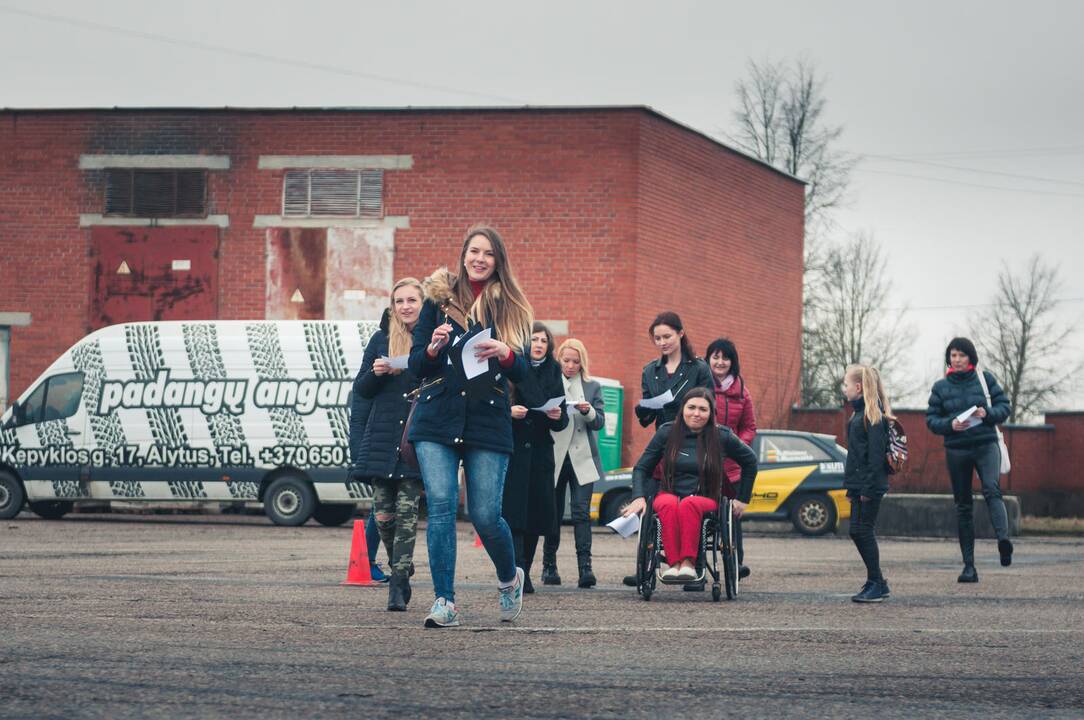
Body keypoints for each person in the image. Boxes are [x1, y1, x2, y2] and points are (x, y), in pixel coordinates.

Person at [408, 224, 534, 628]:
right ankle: (445, 601)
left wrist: (507, 355)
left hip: (487, 418)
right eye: (474, 251)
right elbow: (415, 365)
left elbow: (531, 380)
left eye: (488, 254)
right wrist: (432, 348)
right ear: (463, 255)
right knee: (441, 506)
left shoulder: (511, 307)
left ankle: (508, 575)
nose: (479, 259)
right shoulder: (437, 301)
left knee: (484, 515)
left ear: (498, 262)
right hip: (437, 414)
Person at [623, 387, 757, 583]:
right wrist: (638, 496)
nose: (696, 413)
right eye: (691, 407)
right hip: (669, 494)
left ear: (711, 413)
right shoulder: (666, 432)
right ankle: (674, 564)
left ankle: (688, 564)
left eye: (703, 409)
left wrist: (743, 499)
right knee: (668, 503)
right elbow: (641, 468)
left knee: (689, 504)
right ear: (682, 409)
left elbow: (750, 462)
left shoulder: (722, 436)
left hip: (707, 498)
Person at [623, 311, 712, 587]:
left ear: (680, 334)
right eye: (657, 338)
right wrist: (643, 408)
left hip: (694, 438)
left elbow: (710, 405)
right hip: (664, 438)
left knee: (689, 499)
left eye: (667, 337)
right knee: (654, 497)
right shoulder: (651, 370)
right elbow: (647, 415)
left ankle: (692, 563)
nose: (662, 342)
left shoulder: (698, 368)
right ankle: (649, 561)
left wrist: (680, 407)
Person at [353, 278, 424, 611]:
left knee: (408, 513)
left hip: (414, 439)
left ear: (423, 304)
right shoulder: (380, 339)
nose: (406, 306)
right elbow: (362, 390)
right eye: (399, 301)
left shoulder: (431, 340)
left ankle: (397, 583)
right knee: (383, 516)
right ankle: (403, 565)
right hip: (383, 438)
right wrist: (377, 372)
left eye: (412, 300)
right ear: (393, 306)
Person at [926, 337, 1013, 583]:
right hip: (957, 449)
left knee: (991, 489)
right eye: (953, 355)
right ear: (949, 359)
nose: (957, 359)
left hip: (986, 444)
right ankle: (969, 567)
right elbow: (931, 420)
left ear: (971, 358)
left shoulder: (985, 380)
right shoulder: (940, 387)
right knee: (963, 505)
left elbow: (1004, 407)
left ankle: (1003, 540)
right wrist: (950, 424)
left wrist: (987, 414)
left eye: (961, 355)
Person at [502, 322, 568, 594]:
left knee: (536, 517)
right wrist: (509, 412)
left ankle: (525, 569)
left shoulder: (554, 371)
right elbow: (493, 409)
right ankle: (516, 572)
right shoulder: (511, 368)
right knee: (514, 515)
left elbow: (561, 420)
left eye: (544, 340)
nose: (539, 345)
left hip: (541, 453)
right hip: (515, 450)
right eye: (534, 340)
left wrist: (557, 416)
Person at [542, 338, 606, 588]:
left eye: (575, 362)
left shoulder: (592, 386)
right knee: (552, 514)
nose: (570, 366)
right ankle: (549, 566)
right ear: (559, 360)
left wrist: (588, 410)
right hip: (556, 456)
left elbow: (599, 422)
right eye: (566, 360)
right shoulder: (549, 383)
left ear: (582, 363)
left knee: (581, 513)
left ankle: (585, 569)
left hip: (582, 458)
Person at [705, 337, 757, 581]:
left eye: (725, 357)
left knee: (732, 517)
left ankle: (737, 564)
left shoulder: (742, 391)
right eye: (715, 356)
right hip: (703, 463)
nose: (720, 361)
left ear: (732, 362)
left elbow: (749, 427)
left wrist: (738, 446)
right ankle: (697, 567)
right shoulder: (701, 387)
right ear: (708, 359)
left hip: (732, 466)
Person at [841, 364, 892, 603]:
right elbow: (855, 457)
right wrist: (852, 488)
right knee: (855, 530)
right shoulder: (858, 415)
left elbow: (874, 458)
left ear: (858, 388)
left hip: (870, 486)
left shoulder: (873, 418)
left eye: (846, 384)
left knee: (863, 530)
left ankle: (876, 583)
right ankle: (878, 581)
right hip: (859, 485)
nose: (845, 388)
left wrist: (867, 490)